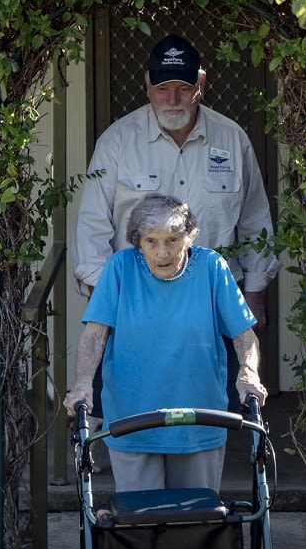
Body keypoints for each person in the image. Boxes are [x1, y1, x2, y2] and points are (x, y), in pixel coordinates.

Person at [63, 193, 268, 549]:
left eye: (172, 240)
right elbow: (95, 334)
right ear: (136, 241)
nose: (162, 251)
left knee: (195, 528)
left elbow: (244, 335)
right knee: (141, 530)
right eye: (151, 241)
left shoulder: (212, 267)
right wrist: (83, 383)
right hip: (133, 422)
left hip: (200, 419)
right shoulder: (121, 268)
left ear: (190, 236)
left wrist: (248, 373)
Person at [71, 33, 279, 330]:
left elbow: (254, 223)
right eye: (162, 89)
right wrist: (106, 312)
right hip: (137, 302)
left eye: (183, 88)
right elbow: (92, 229)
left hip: (217, 304)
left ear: (201, 84)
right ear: (147, 86)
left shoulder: (232, 139)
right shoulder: (116, 142)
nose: (172, 100)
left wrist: (255, 298)